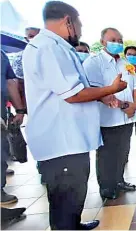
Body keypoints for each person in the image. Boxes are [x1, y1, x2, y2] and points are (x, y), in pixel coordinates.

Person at [22, 2, 127, 230]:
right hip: (61, 141)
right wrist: (110, 89)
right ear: (68, 21)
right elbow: (73, 94)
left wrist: (101, 97)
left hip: (69, 140)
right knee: (65, 197)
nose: (80, 30)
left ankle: (73, 224)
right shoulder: (48, 48)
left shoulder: (56, 47)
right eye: (79, 24)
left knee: (72, 196)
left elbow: (72, 89)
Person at [83, 28, 136, 199]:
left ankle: (119, 180)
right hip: (107, 119)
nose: (118, 43)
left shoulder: (125, 64)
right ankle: (106, 187)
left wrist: (134, 105)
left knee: (123, 152)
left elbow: (135, 86)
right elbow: (96, 91)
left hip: (127, 117)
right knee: (107, 155)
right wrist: (124, 105)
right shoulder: (94, 62)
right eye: (113, 39)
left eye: (120, 40)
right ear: (102, 42)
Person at [1, 50, 26, 204]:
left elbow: (11, 82)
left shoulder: (2, 54)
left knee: (2, 146)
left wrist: (20, 110)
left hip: (1, 105)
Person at [11, 27, 40, 106]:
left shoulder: (51, 54)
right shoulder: (20, 57)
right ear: (26, 38)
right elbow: (18, 83)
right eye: (31, 36)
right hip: (31, 101)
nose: (35, 39)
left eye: (38, 36)